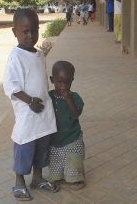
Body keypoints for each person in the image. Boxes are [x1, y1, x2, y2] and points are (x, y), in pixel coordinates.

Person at [3, 8, 59, 201]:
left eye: (34, 30)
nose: (30, 36)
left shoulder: (39, 54)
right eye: (25, 31)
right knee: (24, 148)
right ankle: (19, 182)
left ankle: (38, 178)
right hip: (28, 114)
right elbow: (11, 86)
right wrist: (30, 101)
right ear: (15, 32)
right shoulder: (15, 57)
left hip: (43, 113)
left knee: (42, 147)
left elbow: (41, 80)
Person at [48, 61, 85, 191]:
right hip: (55, 138)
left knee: (73, 158)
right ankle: (58, 177)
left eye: (67, 83)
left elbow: (76, 114)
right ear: (52, 80)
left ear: (72, 80)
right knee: (56, 159)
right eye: (59, 82)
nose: (63, 87)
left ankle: (75, 179)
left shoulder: (75, 97)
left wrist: (68, 99)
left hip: (72, 137)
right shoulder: (49, 96)